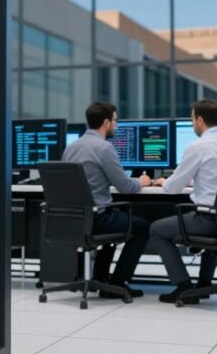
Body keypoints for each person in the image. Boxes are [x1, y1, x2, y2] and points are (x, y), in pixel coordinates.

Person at [149, 100, 217, 303]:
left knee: (156, 229)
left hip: (208, 222)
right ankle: (203, 285)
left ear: (200, 120)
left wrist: (162, 181)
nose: (192, 123)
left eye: (192, 119)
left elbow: (173, 188)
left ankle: (184, 287)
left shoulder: (198, 147)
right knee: (211, 213)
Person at [61, 101, 152, 297]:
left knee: (114, 215)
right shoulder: (104, 148)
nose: (116, 126)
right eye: (115, 121)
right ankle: (118, 282)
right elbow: (125, 187)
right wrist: (143, 181)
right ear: (106, 122)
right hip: (96, 219)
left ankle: (101, 279)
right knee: (143, 227)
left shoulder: (71, 148)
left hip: (72, 219)